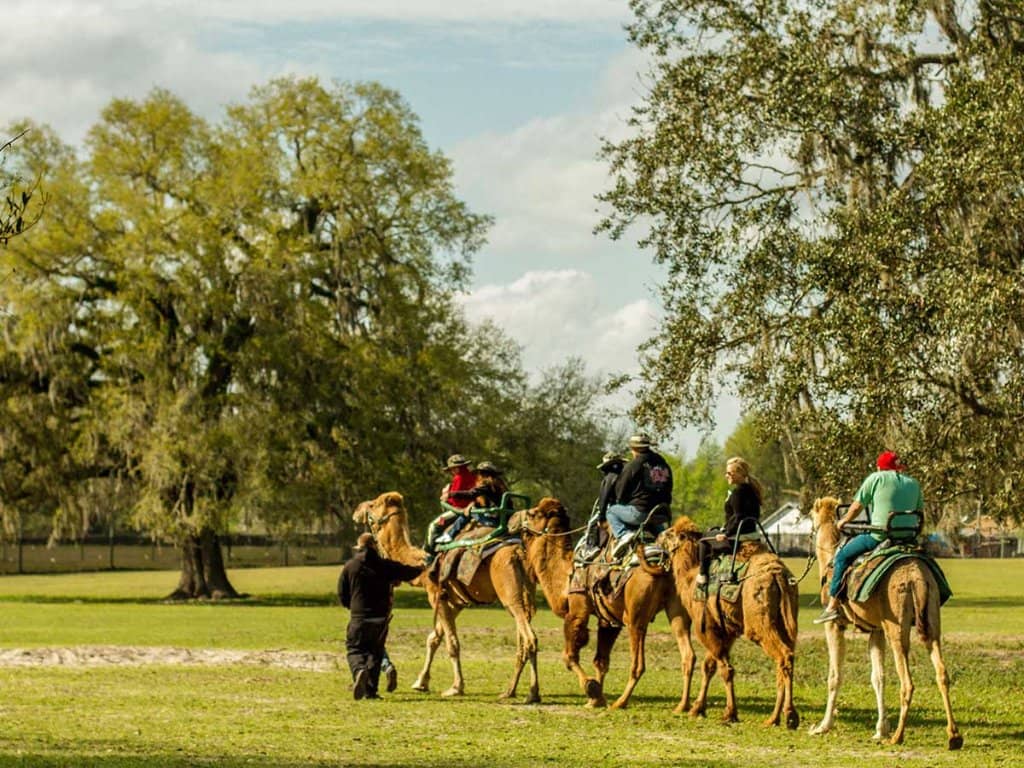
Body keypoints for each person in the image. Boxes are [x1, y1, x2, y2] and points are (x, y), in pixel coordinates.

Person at [813, 450, 924, 624]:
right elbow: (919, 513)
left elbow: (857, 507)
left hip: (880, 536)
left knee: (842, 556)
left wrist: (843, 521)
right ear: (899, 468)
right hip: (908, 539)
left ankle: (833, 605)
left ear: (880, 467)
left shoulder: (875, 478)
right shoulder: (914, 483)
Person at [338, 532, 424, 699]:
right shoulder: (385, 565)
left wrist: (353, 608)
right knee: (375, 653)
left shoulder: (350, 566)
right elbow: (407, 572)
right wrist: (421, 567)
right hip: (380, 618)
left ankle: (359, 671)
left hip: (359, 617)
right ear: (374, 546)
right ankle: (371, 691)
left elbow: (342, 593)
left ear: (359, 547)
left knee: (354, 649)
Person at [696, 456, 763, 586]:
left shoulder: (738, 493)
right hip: (753, 535)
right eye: (726, 472)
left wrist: (726, 534)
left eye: (730, 473)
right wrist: (724, 529)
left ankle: (702, 575)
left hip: (737, 539)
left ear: (740, 473)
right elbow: (741, 517)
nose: (726, 475)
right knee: (714, 532)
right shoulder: (752, 490)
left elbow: (738, 517)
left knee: (704, 540)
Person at [605, 434, 673, 558]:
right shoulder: (663, 463)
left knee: (611, 511)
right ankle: (661, 536)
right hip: (662, 514)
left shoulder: (634, 465)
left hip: (640, 513)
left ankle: (624, 535)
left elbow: (620, 492)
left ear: (634, 449)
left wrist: (623, 501)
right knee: (652, 521)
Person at [424, 454, 476, 560]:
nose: (452, 472)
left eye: (452, 469)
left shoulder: (458, 478)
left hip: (458, 511)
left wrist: (446, 497)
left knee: (434, 525)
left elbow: (456, 500)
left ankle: (430, 553)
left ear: (456, 468)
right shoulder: (473, 476)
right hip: (473, 508)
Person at [576, 451, 626, 562]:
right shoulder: (626, 476)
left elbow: (604, 498)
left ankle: (591, 547)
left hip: (613, 508)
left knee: (592, 523)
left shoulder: (609, 478)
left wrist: (601, 517)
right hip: (627, 508)